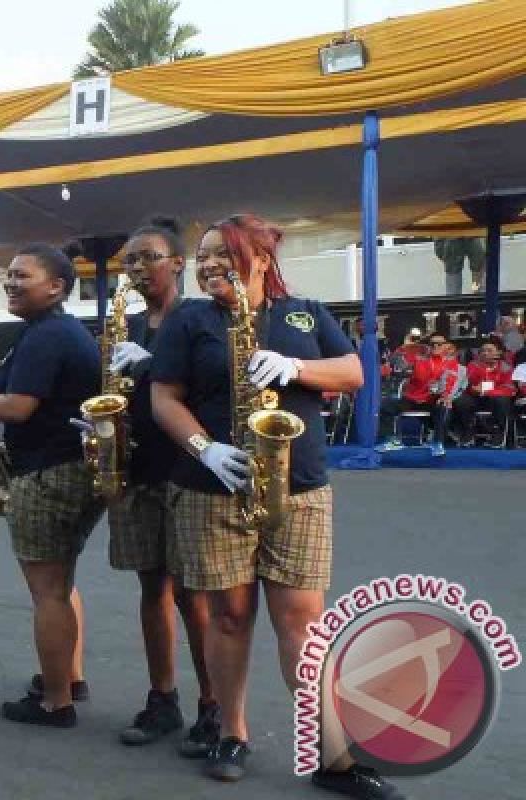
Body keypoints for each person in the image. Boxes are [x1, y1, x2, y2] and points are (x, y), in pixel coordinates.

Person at [150, 214, 402, 798]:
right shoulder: (190, 319)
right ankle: (231, 732)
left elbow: (354, 372)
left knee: (304, 623)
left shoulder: (306, 312)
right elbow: (164, 397)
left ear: (262, 259)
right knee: (230, 618)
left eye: (224, 253)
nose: (209, 263)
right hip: (213, 488)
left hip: (300, 488)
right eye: (204, 254)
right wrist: (204, 448)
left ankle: (334, 754)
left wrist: (296, 367)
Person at [0, 243, 103, 727]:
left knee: (47, 591)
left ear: (55, 286)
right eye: (9, 275)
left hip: (47, 472)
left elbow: (17, 406)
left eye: (22, 276)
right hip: (70, 468)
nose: (11, 283)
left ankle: (55, 702)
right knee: (62, 582)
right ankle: (68, 677)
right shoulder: (55, 330)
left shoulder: (47, 335)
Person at [102, 217, 218, 755]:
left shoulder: (198, 317)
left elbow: (210, 386)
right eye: (130, 261)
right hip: (140, 469)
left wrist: (153, 365)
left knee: (195, 597)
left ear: (178, 263)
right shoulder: (130, 324)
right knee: (153, 590)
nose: (138, 268)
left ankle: (213, 707)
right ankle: (163, 698)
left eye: (148, 257)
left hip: (187, 472)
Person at [378, 332, 459, 456]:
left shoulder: (451, 362)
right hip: (413, 398)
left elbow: (450, 381)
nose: (435, 346)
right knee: (385, 404)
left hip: (433, 399)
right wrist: (405, 348)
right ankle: (391, 440)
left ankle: (438, 443)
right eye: (432, 344)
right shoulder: (418, 358)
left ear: (446, 346)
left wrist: (445, 395)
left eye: (439, 344)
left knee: (445, 406)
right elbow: (397, 361)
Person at [452, 339, 515, 445]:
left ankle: (499, 434)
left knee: (502, 400)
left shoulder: (506, 368)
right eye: (482, 351)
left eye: (489, 350)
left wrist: (486, 389)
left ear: (498, 352)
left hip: (496, 400)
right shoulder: (473, 365)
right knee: (461, 401)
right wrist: (478, 388)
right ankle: (468, 430)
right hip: (476, 398)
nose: (485, 353)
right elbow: (470, 385)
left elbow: (508, 388)